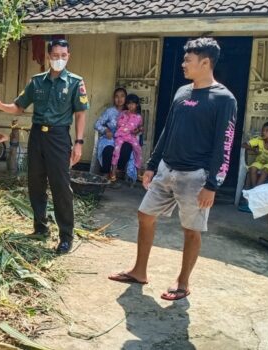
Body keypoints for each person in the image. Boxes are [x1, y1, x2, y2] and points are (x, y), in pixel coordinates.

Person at [108, 37, 237, 301]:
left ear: (205, 62)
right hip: (167, 170)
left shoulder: (224, 99)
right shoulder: (182, 92)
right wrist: (152, 165)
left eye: (188, 60)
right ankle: (139, 271)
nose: (182, 64)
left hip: (196, 177)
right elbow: (168, 130)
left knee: (192, 230)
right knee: (145, 215)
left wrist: (213, 184)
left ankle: (183, 281)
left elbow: (225, 144)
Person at [0, 39, 88, 254]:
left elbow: (80, 114)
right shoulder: (37, 82)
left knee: (60, 187)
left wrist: (78, 143)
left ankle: (66, 236)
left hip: (59, 138)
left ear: (68, 56)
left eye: (63, 55)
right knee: (36, 184)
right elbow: (18, 107)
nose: (59, 59)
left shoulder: (75, 82)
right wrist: (0, 105)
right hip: (37, 136)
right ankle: (40, 228)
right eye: (55, 55)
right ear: (48, 56)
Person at [94, 88, 131, 175]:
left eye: (122, 96)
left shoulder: (129, 113)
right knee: (108, 150)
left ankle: (117, 171)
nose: (119, 99)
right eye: (116, 96)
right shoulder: (109, 111)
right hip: (110, 139)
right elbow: (97, 124)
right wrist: (106, 130)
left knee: (127, 147)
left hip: (123, 139)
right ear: (114, 98)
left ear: (126, 98)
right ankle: (105, 175)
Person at [110, 94, 143, 182]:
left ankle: (139, 172)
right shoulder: (123, 113)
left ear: (137, 105)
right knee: (116, 151)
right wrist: (125, 124)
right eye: (128, 103)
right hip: (120, 136)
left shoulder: (139, 117)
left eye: (133, 103)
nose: (130, 105)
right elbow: (118, 123)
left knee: (138, 150)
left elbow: (140, 128)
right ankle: (113, 172)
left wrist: (137, 130)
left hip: (131, 136)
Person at [243, 121, 268, 188]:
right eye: (263, 130)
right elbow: (243, 145)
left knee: (265, 170)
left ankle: (256, 190)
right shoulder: (259, 139)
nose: (263, 132)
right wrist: (254, 149)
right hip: (260, 162)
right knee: (252, 168)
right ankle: (255, 189)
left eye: (267, 131)